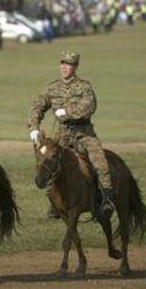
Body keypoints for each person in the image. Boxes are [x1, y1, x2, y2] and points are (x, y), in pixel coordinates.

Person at [28, 51, 115, 218]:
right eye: (63, 64)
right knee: (49, 162)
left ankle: (106, 200)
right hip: (62, 135)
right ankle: (54, 203)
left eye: (69, 64)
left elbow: (89, 106)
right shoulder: (52, 88)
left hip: (84, 133)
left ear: (75, 67)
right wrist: (34, 127)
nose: (65, 67)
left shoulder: (84, 86)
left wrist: (67, 112)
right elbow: (37, 106)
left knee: (100, 162)